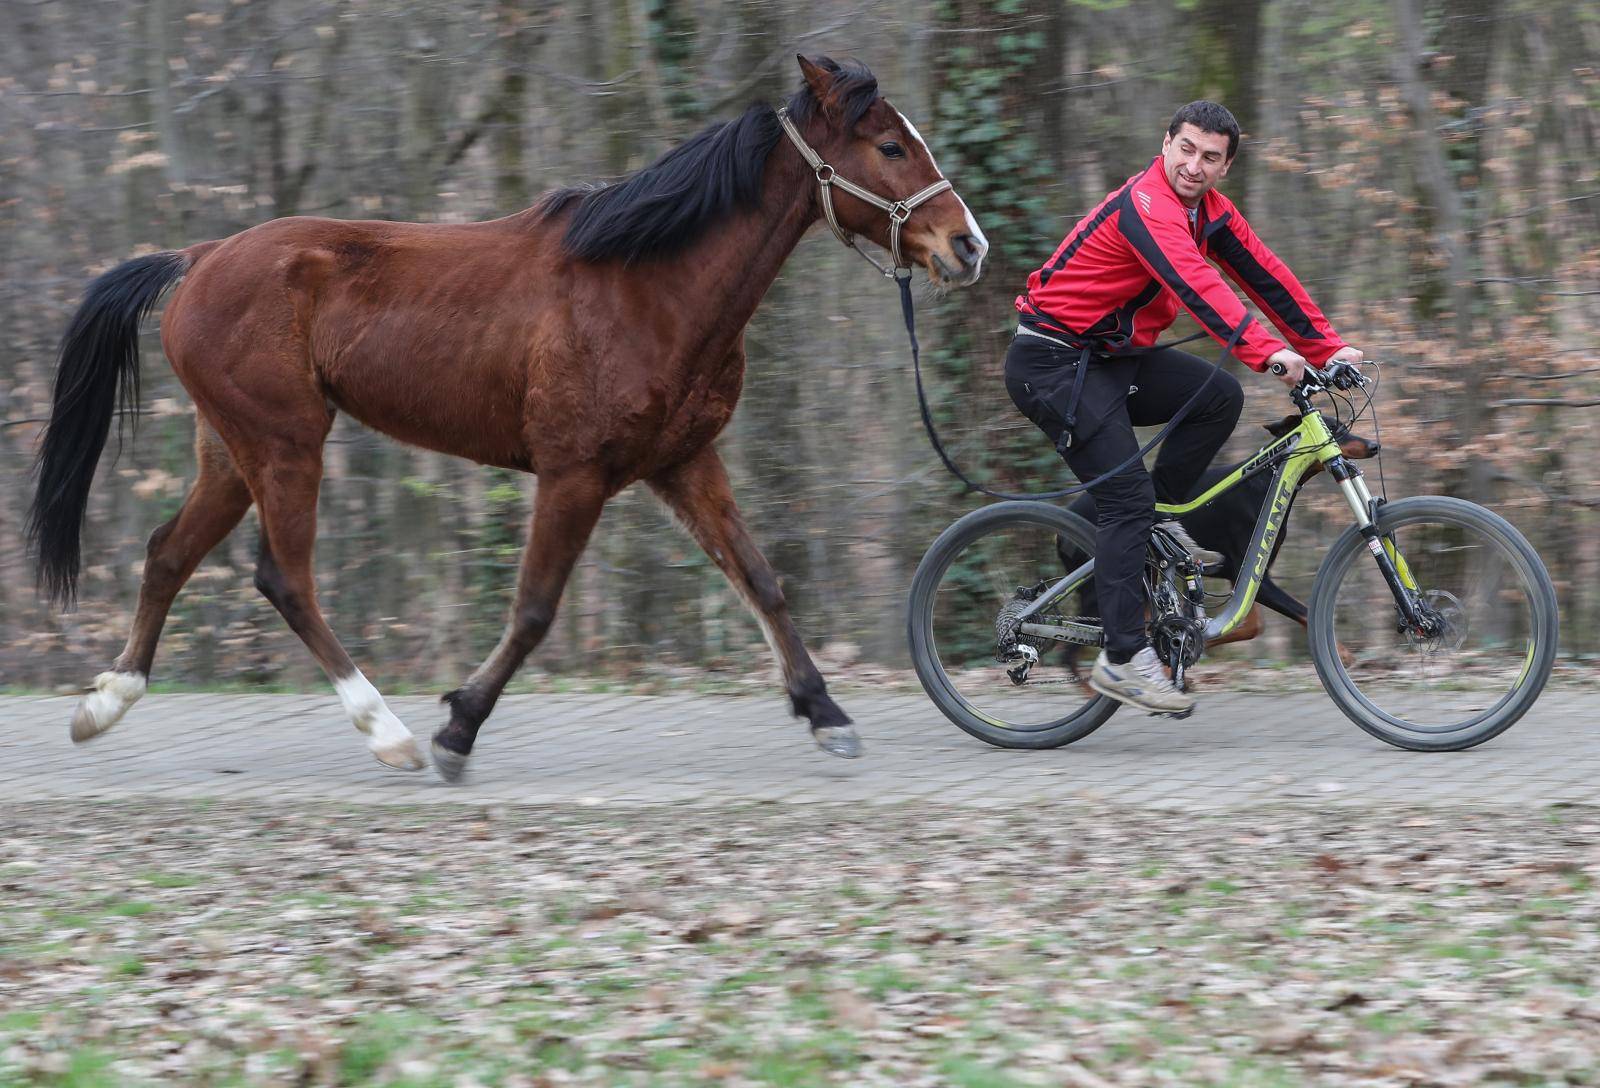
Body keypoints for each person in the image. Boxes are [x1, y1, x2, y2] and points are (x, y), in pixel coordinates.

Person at [1006, 100, 1363, 716]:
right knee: (1124, 500)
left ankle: (1158, 525)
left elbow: (1268, 277)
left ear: (1226, 167)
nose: (1194, 166)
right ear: (1165, 144)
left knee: (1216, 397)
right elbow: (1196, 283)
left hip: (1108, 359)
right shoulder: (1147, 206)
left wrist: (1328, 349)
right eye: (1187, 149)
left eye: (1211, 157)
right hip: (1052, 363)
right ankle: (1122, 659)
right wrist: (1267, 353)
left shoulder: (1212, 212)